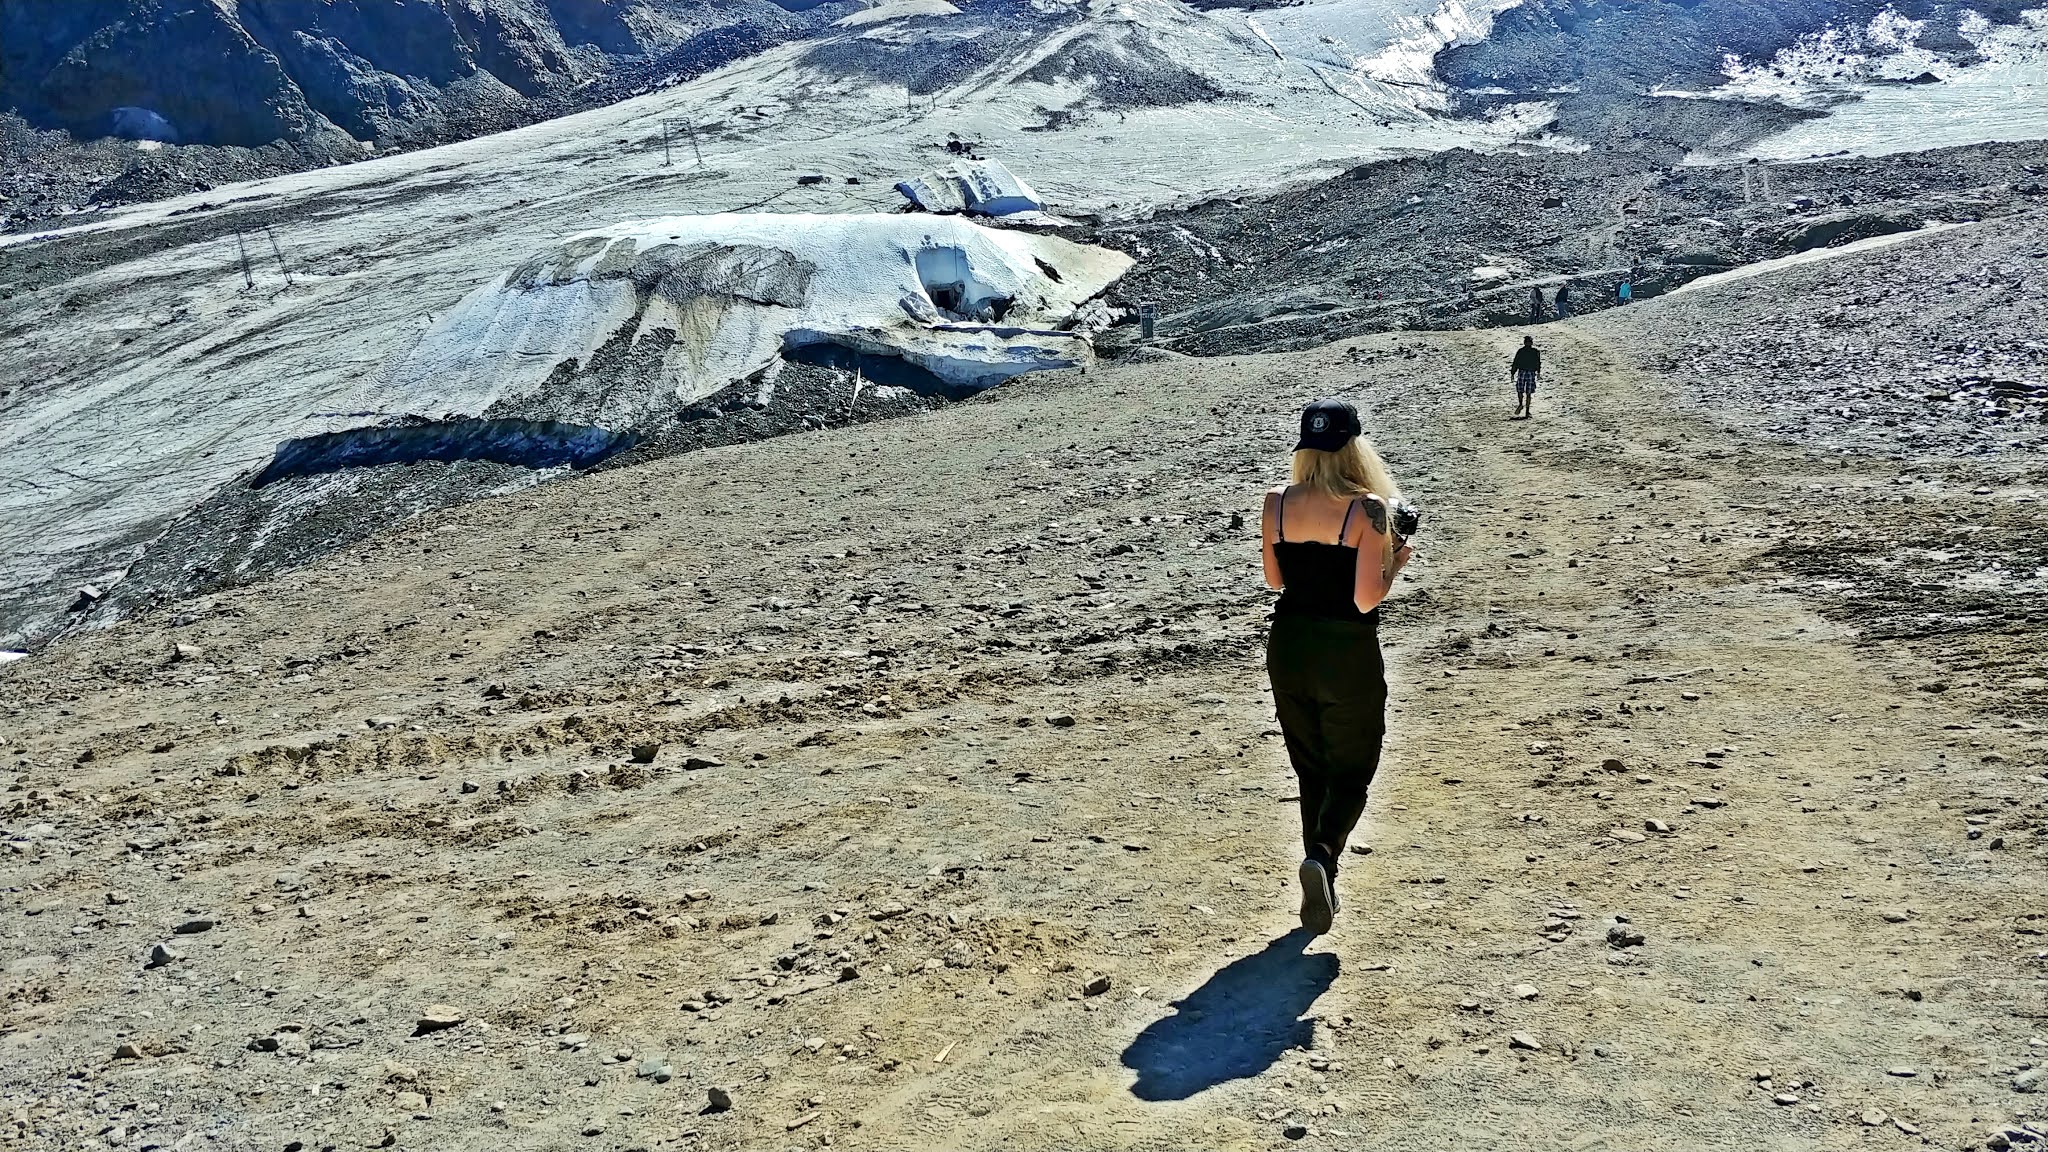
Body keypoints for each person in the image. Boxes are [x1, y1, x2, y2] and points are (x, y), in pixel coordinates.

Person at [1260, 400, 1414, 935]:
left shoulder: (1276, 502)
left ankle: (1322, 875)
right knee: (1352, 769)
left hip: (1289, 645)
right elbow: (1367, 599)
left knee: (1311, 768)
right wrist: (1397, 558)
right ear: (1354, 447)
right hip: (1345, 648)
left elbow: (1276, 582)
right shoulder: (1367, 510)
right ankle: (1323, 859)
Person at [1510, 335, 1540, 418]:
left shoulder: (1524, 351)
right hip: (1528, 372)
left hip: (1525, 372)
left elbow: (1515, 362)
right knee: (1527, 392)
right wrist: (1538, 372)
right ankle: (1525, 409)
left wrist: (1513, 372)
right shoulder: (1533, 351)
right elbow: (1538, 362)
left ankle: (1524, 407)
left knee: (1523, 391)